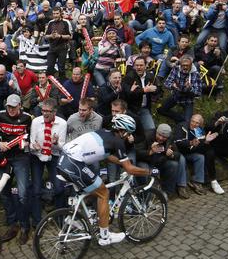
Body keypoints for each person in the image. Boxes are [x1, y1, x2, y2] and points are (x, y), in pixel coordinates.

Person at [57, 114, 149, 245]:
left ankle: (73, 219)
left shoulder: (103, 133)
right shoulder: (118, 142)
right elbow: (130, 169)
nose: (129, 136)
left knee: (92, 189)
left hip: (64, 161)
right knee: (104, 192)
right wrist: (148, 171)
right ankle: (104, 236)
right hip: (74, 164)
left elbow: (106, 155)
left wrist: (121, 163)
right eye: (128, 133)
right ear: (122, 130)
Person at [0, 94, 33, 244]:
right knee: (4, 192)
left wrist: (26, 143)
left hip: (21, 158)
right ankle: (12, 224)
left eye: (14, 107)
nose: (11, 109)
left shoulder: (28, 118)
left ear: (20, 106)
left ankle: (24, 226)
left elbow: (30, 135)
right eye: (9, 106)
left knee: (22, 193)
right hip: (4, 159)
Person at [29, 99, 67, 226]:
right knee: (36, 189)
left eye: (48, 112)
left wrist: (55, 143)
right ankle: (37, 220)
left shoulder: (62, 124)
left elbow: (62, 148)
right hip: (37, 156)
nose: (45, 114)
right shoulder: (35, 121)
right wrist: (34, 147)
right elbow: (31, 143)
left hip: (54, 155)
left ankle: (59, 217)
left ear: (54, 112)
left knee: (59, 188)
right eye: (43, 111)